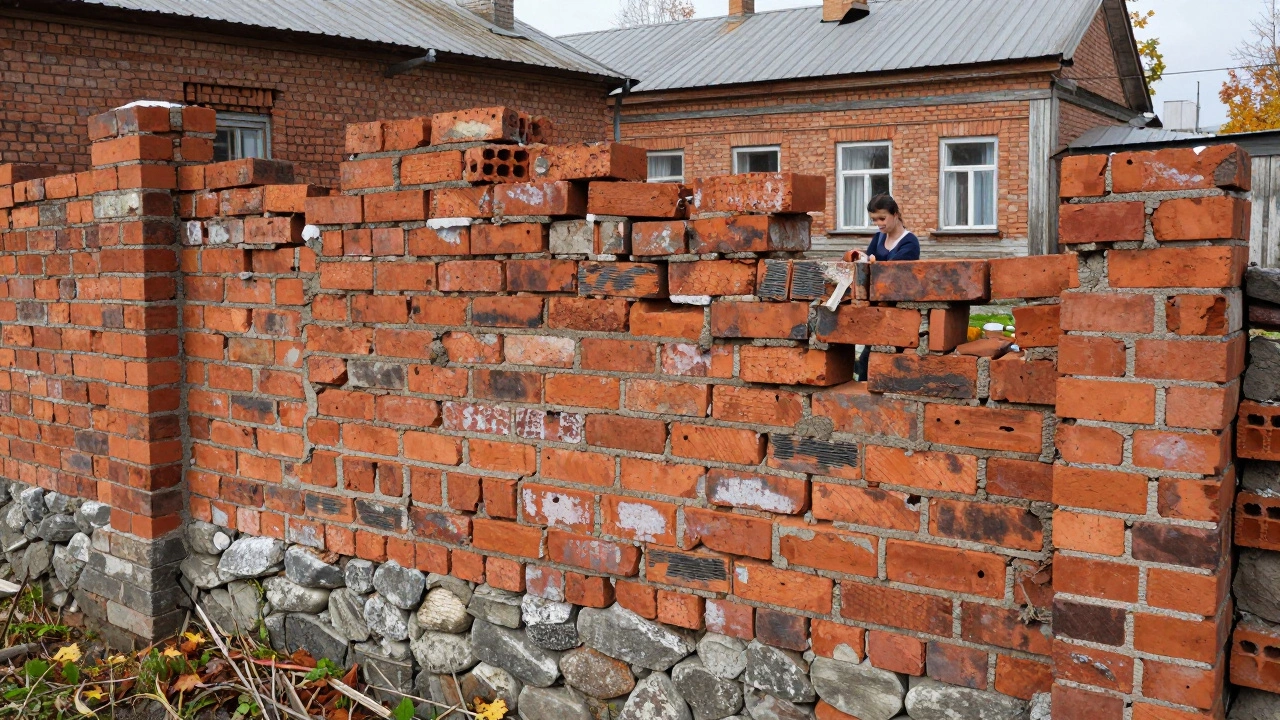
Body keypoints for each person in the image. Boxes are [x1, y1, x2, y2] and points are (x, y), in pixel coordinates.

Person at [843, 194, 920, 381]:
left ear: (895, 214)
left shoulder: (909, 242)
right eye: (874, 220)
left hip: (899, 310)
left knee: (887, 362)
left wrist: (873, 264)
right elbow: (868, 265)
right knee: (866, 360)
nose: (878, 223)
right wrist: (858, 257)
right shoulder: (878, 238)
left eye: (882, 218)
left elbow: (892, 274)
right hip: (877, 308)